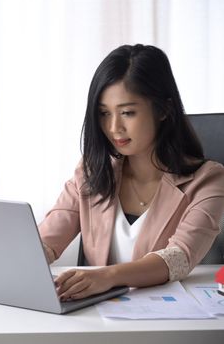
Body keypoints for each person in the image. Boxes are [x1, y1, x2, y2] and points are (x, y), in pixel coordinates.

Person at [38, 44, 224, 301]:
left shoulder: (208, 180)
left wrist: (106, 276)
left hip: (169, 320)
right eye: (104, 113)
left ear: (164, 110)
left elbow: (178, 258)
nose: (114, 127)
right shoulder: (91, 172)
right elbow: (47, 241)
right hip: (94, 319)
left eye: (127, 112)